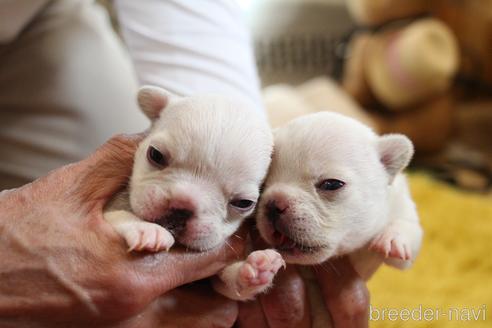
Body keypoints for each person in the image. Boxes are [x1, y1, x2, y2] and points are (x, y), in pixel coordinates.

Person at [0, 1, 369, 326]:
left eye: (240, 201)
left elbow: (211, 110)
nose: (184, 202)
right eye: (159, 159)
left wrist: (246, 145)